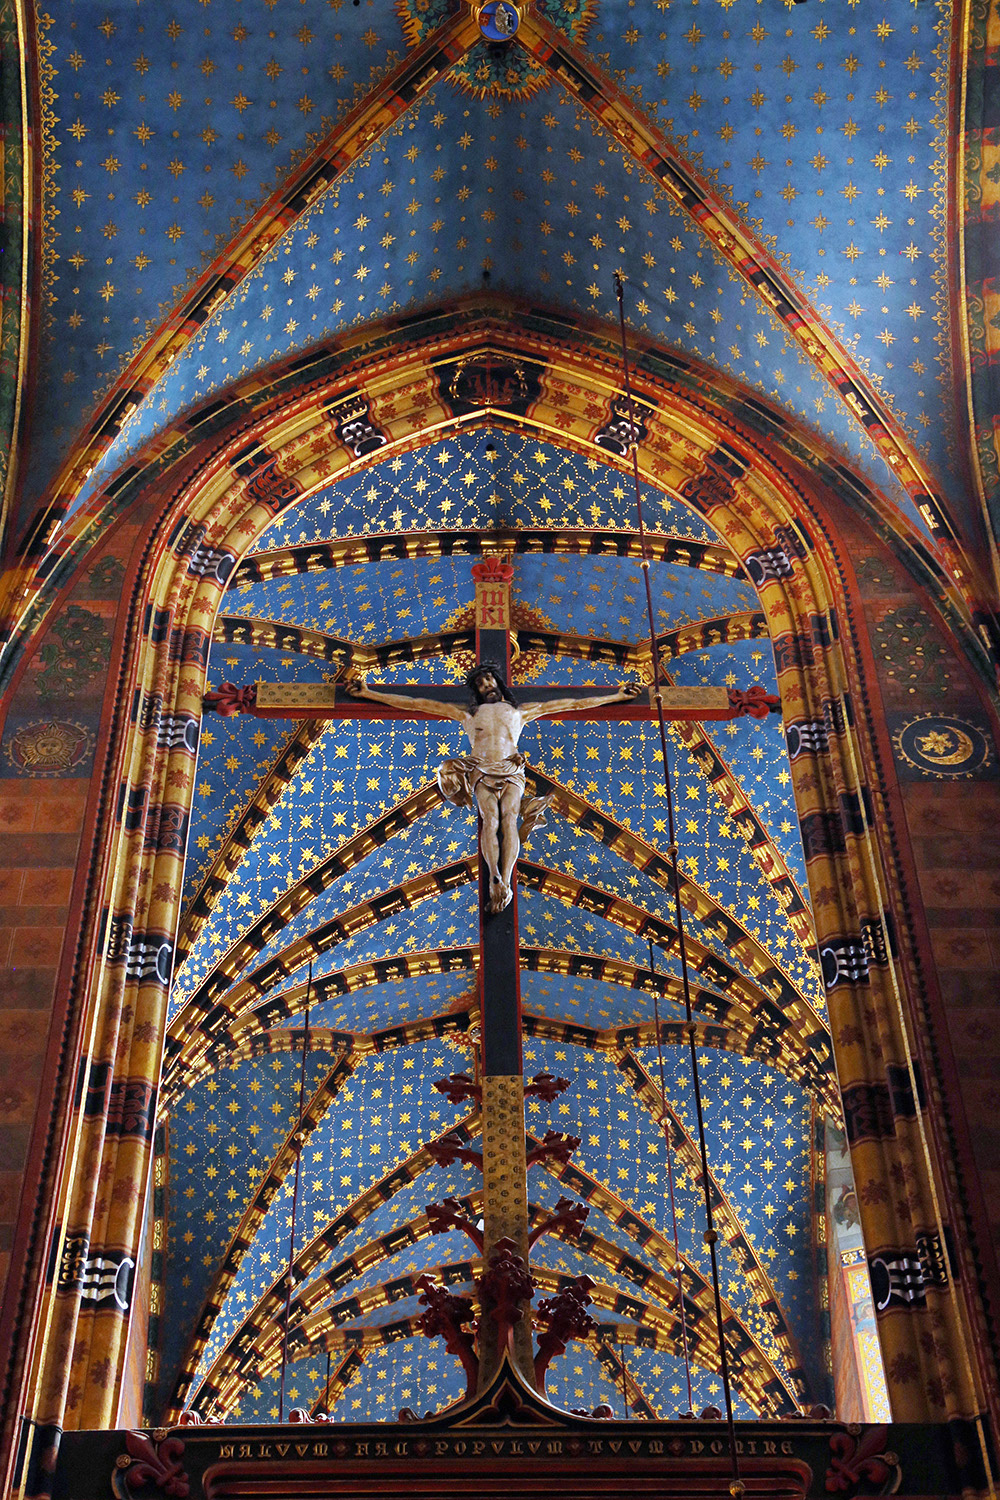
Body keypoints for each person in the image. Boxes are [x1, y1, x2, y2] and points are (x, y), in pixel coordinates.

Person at [347, 664, 643, 913]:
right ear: (476, 691)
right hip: (481, 770)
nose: (485, 685)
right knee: (490, 820)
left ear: (498, 682)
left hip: (512, 769)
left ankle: (508, 878)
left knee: (509, 820)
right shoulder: (468, 715)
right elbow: (417, 703)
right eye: (480, 683)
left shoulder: (520, 713)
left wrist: (616, 696)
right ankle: (494, 877)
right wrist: (370, 694)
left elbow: (572, 704)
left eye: (489, 679)